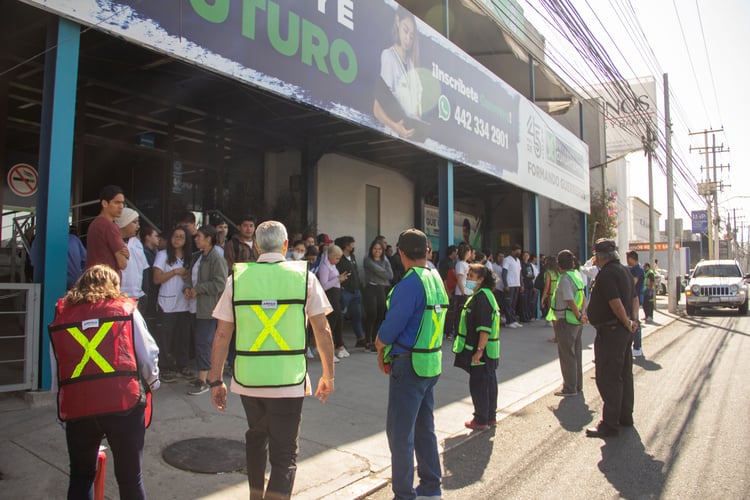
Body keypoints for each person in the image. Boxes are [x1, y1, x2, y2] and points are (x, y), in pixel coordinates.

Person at [207, 220, 335, 500]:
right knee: (284, 455)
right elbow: (322, 330)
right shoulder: (304, 277)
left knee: (256, 437)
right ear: (286, 246)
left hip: (248, 378)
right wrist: (328, 375)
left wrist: (216, 379)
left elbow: (221, 335)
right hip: (288, 379)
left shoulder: (237, 278)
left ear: (255, 246)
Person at [48, 265, 159, 499]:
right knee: (130, 478)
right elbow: (148, 354)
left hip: (78, 405)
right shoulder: (125, 309)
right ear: (114, 286)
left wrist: (61, 407)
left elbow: (58, 365)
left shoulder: (63, 314)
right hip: (123, 402)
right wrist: (151, 381)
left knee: (80, 476)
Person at [375, 229, 448, 500]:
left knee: (400, 432)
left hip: (408, 364)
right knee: (424, 427)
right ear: (427, 251)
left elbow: (392, 327)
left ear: (402, 254)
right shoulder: (435, 278)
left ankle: (404, 494)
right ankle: (431, 486)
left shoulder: (409, 283)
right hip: (431, 361)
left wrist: (380, 345)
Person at [585, 239, 639, 438]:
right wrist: (634, 320)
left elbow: (615, 302)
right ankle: (625, 416)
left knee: (608, 377)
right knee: (624, 374)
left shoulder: (607, 274)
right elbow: (634, 298)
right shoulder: (624, 271)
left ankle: (609, 423)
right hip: (622, 331)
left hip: (612, 331)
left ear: (598, 256)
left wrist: (626, 321)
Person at [452, 263, 501, 431]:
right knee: (488, 383)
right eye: (468, 275)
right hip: (487, 351)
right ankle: (489, 416)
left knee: (479, 384)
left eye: (471, 276)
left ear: (481, 280)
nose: (468, 279)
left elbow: (484, 329)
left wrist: (479, 351)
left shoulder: (482, 298)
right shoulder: (483, 295)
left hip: (482, 351)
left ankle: (481, 419)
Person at [184, 225, 228, 395]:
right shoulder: (197, 256)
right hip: (194, 306)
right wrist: (188, 288)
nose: (196, 239)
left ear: (209, 238)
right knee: (199, 341)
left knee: (204, 342)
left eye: (199, 236)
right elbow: (190, 276)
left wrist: (199, 289)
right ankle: (205, 375)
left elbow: (220, 283)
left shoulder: (216, 258)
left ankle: (203, 379)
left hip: (207, 307)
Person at [373, 6, 423, 139]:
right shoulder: (388, 56)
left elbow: (417, 109)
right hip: (392, 136)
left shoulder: (413, 69)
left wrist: (416, 122)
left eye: (411, 36)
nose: (407, 39)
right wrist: (396, 127)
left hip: (410, 139)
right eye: (405, 31)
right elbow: (377, 108)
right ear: (397, 22)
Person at [152, 225, 193, 382]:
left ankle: (182, 365)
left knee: (183, 337)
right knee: (165, 337)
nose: (178, 239)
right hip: (167, 303)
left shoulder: (189, 257)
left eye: (181, 237)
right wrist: (176, 272)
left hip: (185, 302)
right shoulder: (163, 255)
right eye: (175, 236)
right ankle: (165, 367)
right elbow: (156, 279)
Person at [550, 250, 586, 397]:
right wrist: (582, 314)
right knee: (576, 353)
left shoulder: (565, 278)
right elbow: (583, 297)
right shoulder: (576, 275)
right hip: (577, 320)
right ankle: (577, 385)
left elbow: (569, 299)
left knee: (567, 356)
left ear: (559, 264)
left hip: (566, 320)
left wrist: (578, 315)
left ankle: (570, 388)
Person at [85, 185, 129, 275]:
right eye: (117, 203)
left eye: (122, 203)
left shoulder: (95, 224)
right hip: (107, 282)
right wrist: (126, 255)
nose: (121, 206)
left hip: (94, 279)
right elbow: (123, 264)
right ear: (105, 203)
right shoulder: (109, 226)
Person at [335, 236, 367, 349]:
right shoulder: (339, 258)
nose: (354, 246)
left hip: (356, 291)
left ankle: (360, 338)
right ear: (346, 245)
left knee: (357, 315)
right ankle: (339, 341)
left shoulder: (352, 257)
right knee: (341, 317)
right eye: (352, 244)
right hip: (345, 291)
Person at [317, 245, 348, 360]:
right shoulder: (324, 267)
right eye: (337, 258)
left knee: (338, 322)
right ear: (330, 256)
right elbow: (324, 285)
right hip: (330, 297)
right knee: (330, 324)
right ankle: (327, 351)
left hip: (336, 295)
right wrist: (338, 279)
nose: (338, 261)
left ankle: (339, 347)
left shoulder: (332, 265)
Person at [363, 238, 393, 352]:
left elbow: (390, 275)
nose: (377, 251)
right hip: (370, 287)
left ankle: (375, 341)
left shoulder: (385, 259)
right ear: (371, 249)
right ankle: (367, 340)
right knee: (372, 314)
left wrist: (381, 273)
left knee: (380, 314)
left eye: (380, 249)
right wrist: (383, 273)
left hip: (381, 288)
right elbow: (379, 271)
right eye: (375, 249)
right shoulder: (368, 259)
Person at [117, 208, 148, 308]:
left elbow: (143, 267)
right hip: (118, 297)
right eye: (134, 222)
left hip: (137, 297)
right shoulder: (113, 241)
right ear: (123, 222)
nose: (138, 226)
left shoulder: (137, 243)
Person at [626, 251, 646, 357]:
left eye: (628, 258)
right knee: (634, 321)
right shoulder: (635, 268)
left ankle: (637, 347)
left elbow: (632, 283)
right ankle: (636, 346)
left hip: (635, 300)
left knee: (635, 321)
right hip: (634, 299)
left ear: (631, 258)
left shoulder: (637, 270)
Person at [502, 244, 523, 328]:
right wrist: (506, 284)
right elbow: (504, 273)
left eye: (520, 250)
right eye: (517, 250)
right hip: (510, 285)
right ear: (512, 251)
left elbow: (520, 273)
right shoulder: (507, 260)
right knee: (508, 303)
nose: (519, 252)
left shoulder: (518, 260)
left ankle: (513, 320)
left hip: (516, 284)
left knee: (514, 304)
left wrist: (521, 284)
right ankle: (508, 321)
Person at [542, 255, 560, 338]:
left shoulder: (548, 273)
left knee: (554, 317)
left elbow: (546, 287)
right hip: (560, 295)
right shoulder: (559, 272)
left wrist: (543, 299)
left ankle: (557, 336)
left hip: (551, 296)